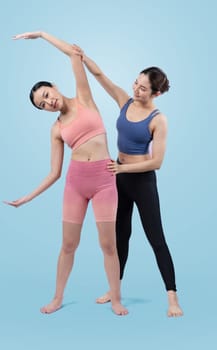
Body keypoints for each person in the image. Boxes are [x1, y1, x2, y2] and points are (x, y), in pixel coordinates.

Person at [4, 31, 128, 316]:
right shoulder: (56, 130)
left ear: (55, 88)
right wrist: (26, 198)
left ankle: (117, 299)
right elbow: (54, 173)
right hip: (75, 183)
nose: (48, 103)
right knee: (68, 245)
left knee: (108, 244)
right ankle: (58, 297)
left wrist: (41, 35)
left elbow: (74, 54)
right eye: (42, 104)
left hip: (104, 180)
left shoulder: (84, 97)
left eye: (47, 95)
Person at [73, 46, 183, 317]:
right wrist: (83, 58)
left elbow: (157, 162)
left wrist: (122, 170)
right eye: (137, 82)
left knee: (156, 238)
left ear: (156, 93)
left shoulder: (159, 120)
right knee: (120, 235)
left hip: (142, 181)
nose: (136, 89)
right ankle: (114, 289)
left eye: (144, 88)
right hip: (118, 178)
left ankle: (172, 299)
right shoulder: (125, 101)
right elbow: (101, 77)